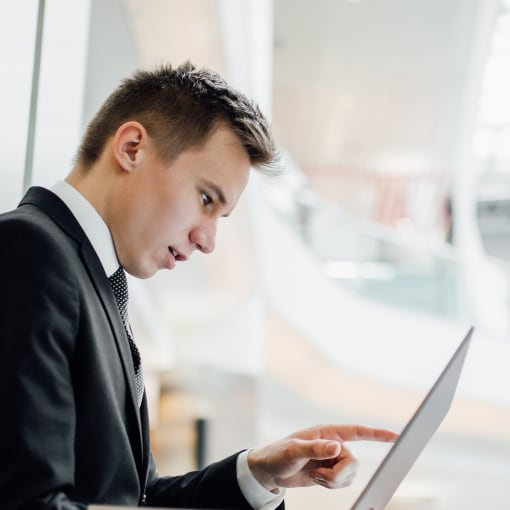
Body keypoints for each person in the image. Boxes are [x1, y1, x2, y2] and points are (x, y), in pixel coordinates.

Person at [0, 62, 397, 510]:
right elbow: (28, 503)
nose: (207, 240)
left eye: (219, 217)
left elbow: (135, 499)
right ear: (132, 148)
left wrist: (257, 474)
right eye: (206, 199)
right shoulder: (29, 250)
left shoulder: (93, 281)